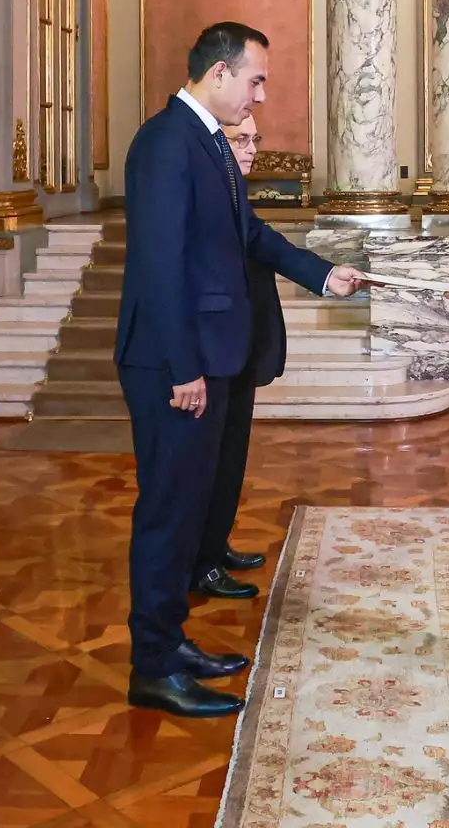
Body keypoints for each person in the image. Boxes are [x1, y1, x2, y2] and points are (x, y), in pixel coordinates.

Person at [118, 22, 366, 718]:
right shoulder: (168, 143)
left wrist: (322, 275)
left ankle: (169, 642)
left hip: (208, 355)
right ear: (220, 74)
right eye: (255, 79)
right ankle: (152, 667)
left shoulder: (203, 142)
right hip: (177, 362)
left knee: (189, 509)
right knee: (167, 515)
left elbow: (248, 235)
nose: (260, 94)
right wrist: (185, 367)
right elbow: (160, 266)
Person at [188, 113, 277, 601]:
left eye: (254, 139)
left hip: (240, 350)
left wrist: (326, 276)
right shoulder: (205, 196)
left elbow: (266, 246)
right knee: (207, 465)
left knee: (230, 460)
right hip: (211, 355)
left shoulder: (237, 195)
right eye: (241, 139)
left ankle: (215, 544)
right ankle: (199, 564)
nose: (250, 149)